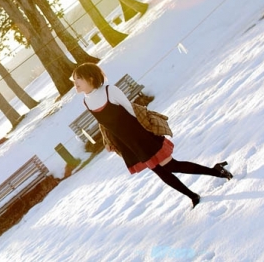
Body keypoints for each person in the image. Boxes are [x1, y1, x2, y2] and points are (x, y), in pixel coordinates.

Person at [72, 63, 232, 208]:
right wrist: (108, 141)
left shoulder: (110, 91)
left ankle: (216, 172)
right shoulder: (86, 102)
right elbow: (103, 124)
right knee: (160, 171)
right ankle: (193, 195)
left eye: (78, 79)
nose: (75, 83)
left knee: (171, 165)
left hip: (140, 135)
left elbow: (132, 111)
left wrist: (147, 131)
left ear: (90, 78)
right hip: (126, 143)